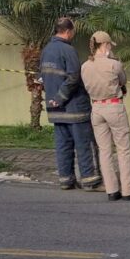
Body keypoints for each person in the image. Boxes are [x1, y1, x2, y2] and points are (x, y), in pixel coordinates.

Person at [40, 17, 101, 190]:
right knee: (84, 145)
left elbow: (41, 76)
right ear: (68, 31)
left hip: (56, 111)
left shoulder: (46, 50)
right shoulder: (68, 50)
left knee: (63, 146)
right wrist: (60, 97)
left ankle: (66, 180)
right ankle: (90, 180)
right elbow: (74, 77)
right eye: (73, 30)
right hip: (74, 109)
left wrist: (54, 99)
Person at [81, 31, 130, 202]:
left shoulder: (85, 66)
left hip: (96, 108)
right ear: (106, 45)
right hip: (114, 106)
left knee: (104, 151)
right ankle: (128, 190)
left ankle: (111, 190)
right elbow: (122, 81)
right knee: (123, 149)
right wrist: (113, 60)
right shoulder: (114, 64)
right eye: (110, 45)